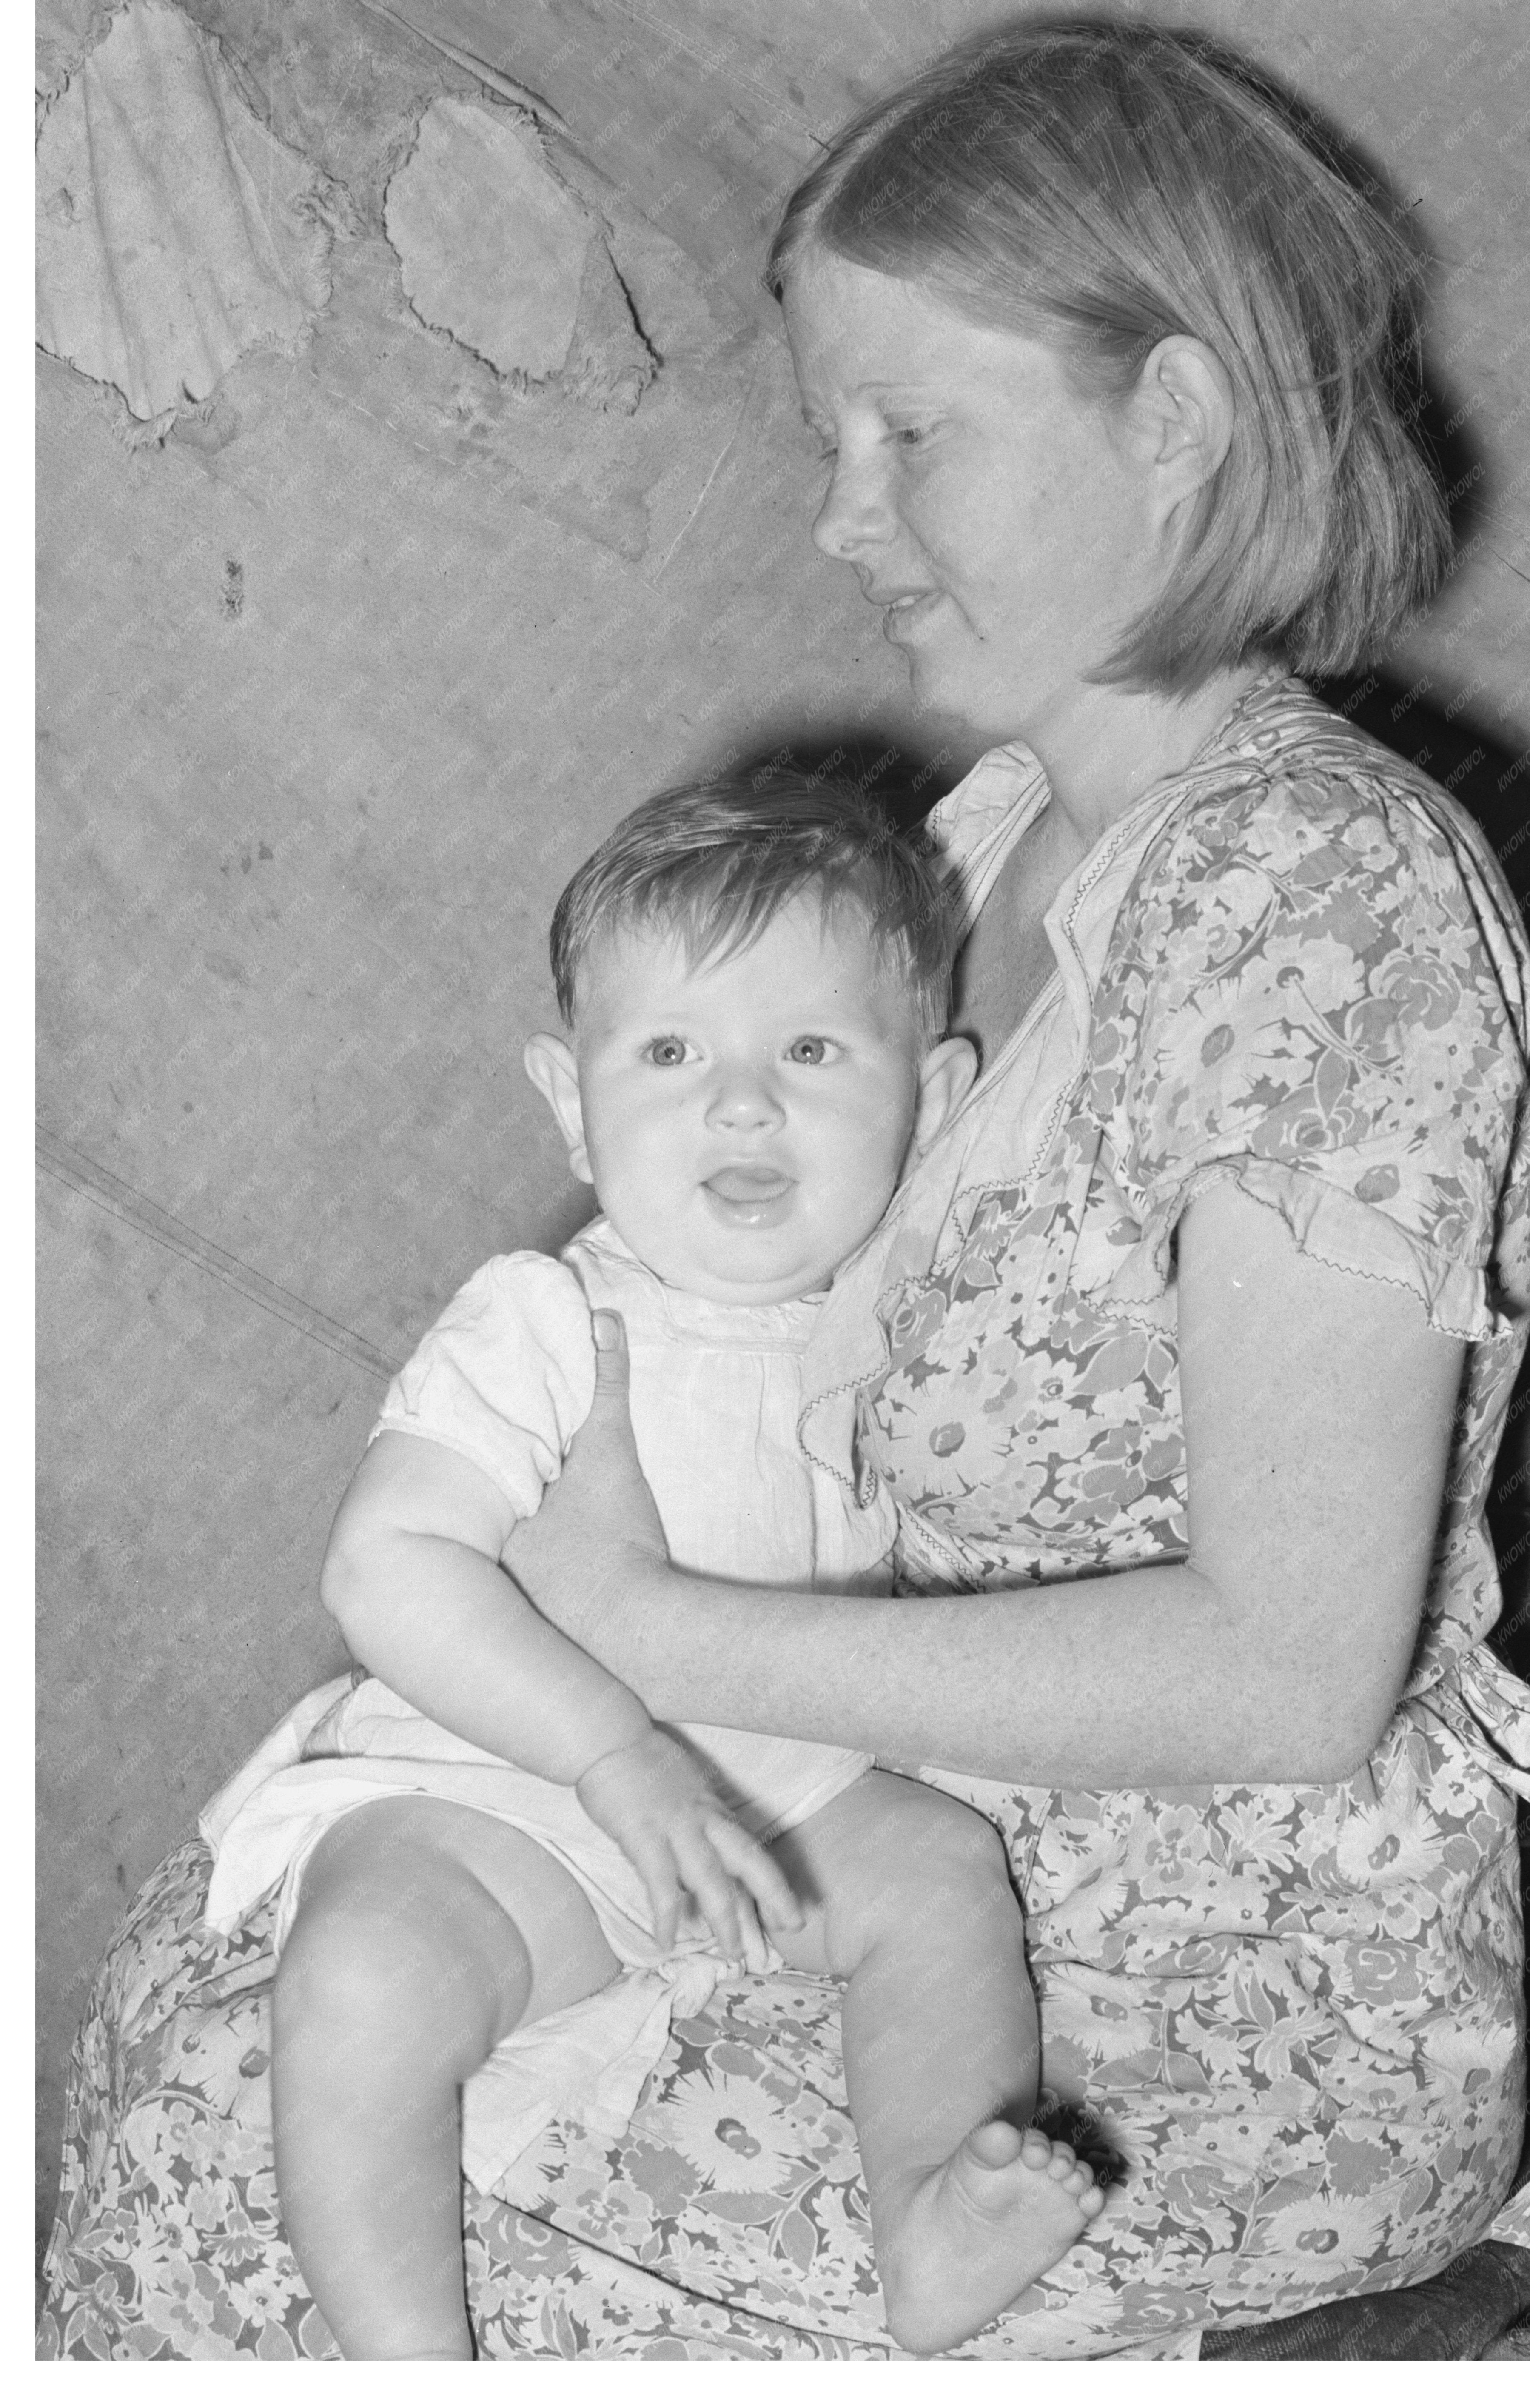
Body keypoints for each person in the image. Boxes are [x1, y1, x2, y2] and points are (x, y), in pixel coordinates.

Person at [40, 12, 1530, 2361]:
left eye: (915, 434)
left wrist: (643, 1645)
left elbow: (1293, 1676)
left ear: (1175, 421)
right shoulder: (979, 844)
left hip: (1194, 1999)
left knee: (259, 2143)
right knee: (261, 2010)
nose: (838, 515)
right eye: (832, 436)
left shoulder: (1324, 897)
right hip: (883, 1827)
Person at [197, 770, 1104, 2359]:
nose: (741, 1106)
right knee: (363, 1975)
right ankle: (414, 2367)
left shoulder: (902, 1336)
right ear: (571, 1104)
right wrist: (610, 1755)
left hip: (781, 1804)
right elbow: (388, 1567)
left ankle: (931, 2227)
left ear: (935, 1100)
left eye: (811, 1052)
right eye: (671, 1053)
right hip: (499, 1797)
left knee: (941, 1881)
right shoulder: (549, 1320)